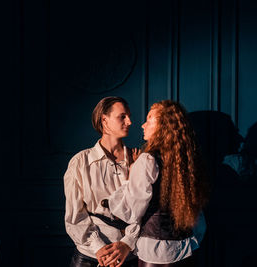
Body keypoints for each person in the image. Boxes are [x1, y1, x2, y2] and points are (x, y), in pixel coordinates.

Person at [104, 100, 209, 266]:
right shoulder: (188, 162)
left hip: (155, 255)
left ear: (164, 126)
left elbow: (129, 212)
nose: (142, 125)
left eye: (149, 119)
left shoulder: (147, 160)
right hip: (188, 249)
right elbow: (199, 220)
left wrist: (130, 178)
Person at [64, 96, 139, 267]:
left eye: (129, 116)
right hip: (90, 257)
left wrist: (127, 243)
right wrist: (99, 248)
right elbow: (75, 215)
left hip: (129, 256)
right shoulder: (80, 162)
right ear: (104, 121)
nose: (130, 121)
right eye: (123, 116)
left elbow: (144, 209)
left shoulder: (139, 159)